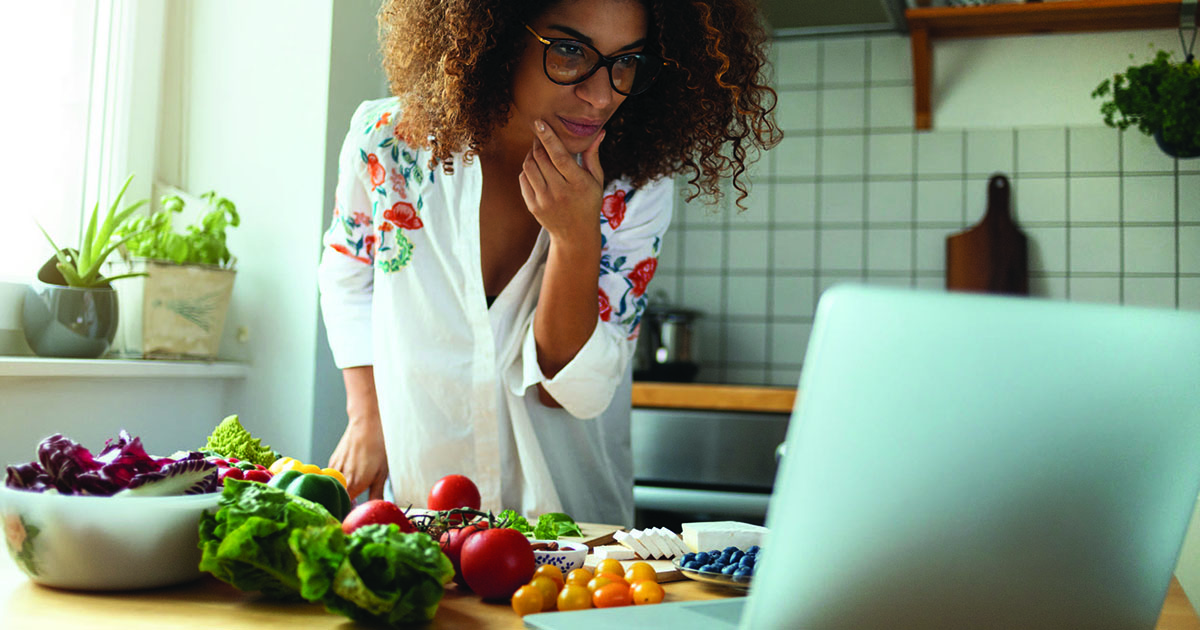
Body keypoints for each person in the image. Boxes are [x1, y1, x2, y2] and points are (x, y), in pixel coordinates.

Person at [318, 0, 780, 525]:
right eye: (568, 51)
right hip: (420, 516)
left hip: (575, 544)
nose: (601, 94)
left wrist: (577, 238)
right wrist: (367, 418)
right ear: (497, 38)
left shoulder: (634, 187)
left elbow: (574, 393)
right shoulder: (386, 141)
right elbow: (347, 276)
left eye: (626, 61)